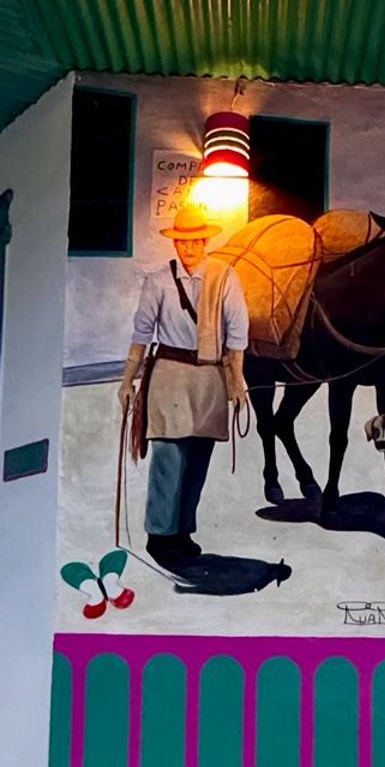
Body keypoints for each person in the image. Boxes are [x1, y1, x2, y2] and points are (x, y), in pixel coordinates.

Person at [119, 199, 250, 569]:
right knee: (169, 457)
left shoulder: (225, 276)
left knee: (198, 460)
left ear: (205, 240)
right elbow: (142, 333)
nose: (188, 247)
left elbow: (237, 334)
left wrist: (237, 382)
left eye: (195, 240)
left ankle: (183, 531)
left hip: (210, 376)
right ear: (175, 243)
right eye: (182, 241)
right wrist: (127, 381)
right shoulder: (158, 280)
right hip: (171, 374)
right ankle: (160, 534)